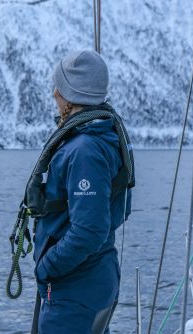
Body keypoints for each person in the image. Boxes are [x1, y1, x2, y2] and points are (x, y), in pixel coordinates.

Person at [32, 50, 133, 334]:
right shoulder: (102, 136)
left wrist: (47, 267)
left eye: (59, 88)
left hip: (75, 290)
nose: (54, 93)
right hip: (91, 280)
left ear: (73, 94)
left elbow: (90, 230)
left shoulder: (84, 150)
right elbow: (116, 211)